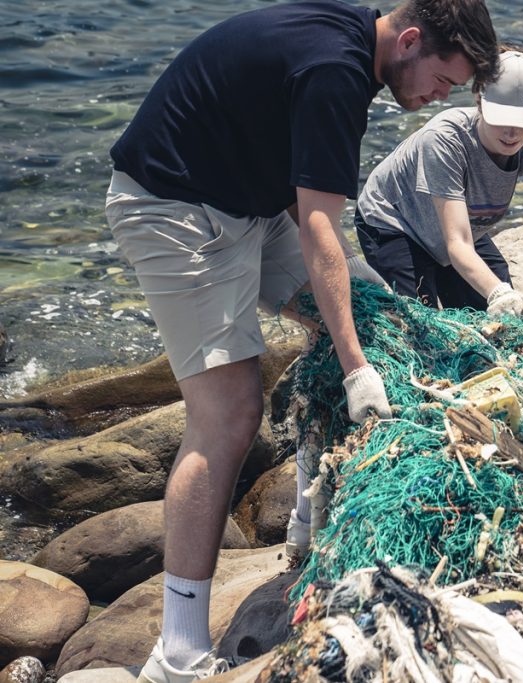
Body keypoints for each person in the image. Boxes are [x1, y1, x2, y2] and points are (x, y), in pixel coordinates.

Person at [103, 1, 498, 681]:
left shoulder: (355, 45)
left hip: (247, 204)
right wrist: (353, 370)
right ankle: (178, 649)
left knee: (378, 315)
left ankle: (306, 529)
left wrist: (356, 334)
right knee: (227, 416)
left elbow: (294, 177)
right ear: (409, 40)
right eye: (443, 79)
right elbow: (320, 228)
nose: (441, 98)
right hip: (175, 209)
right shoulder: (337, 70)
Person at [355, 49, 523, 317]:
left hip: (459, 225)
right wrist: (498, 294)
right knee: (421, 326)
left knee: (505, 323)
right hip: (394, 224)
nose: (512, 133)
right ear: (478, 99)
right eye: (502, 118)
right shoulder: (445, 139)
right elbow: (457, 244)